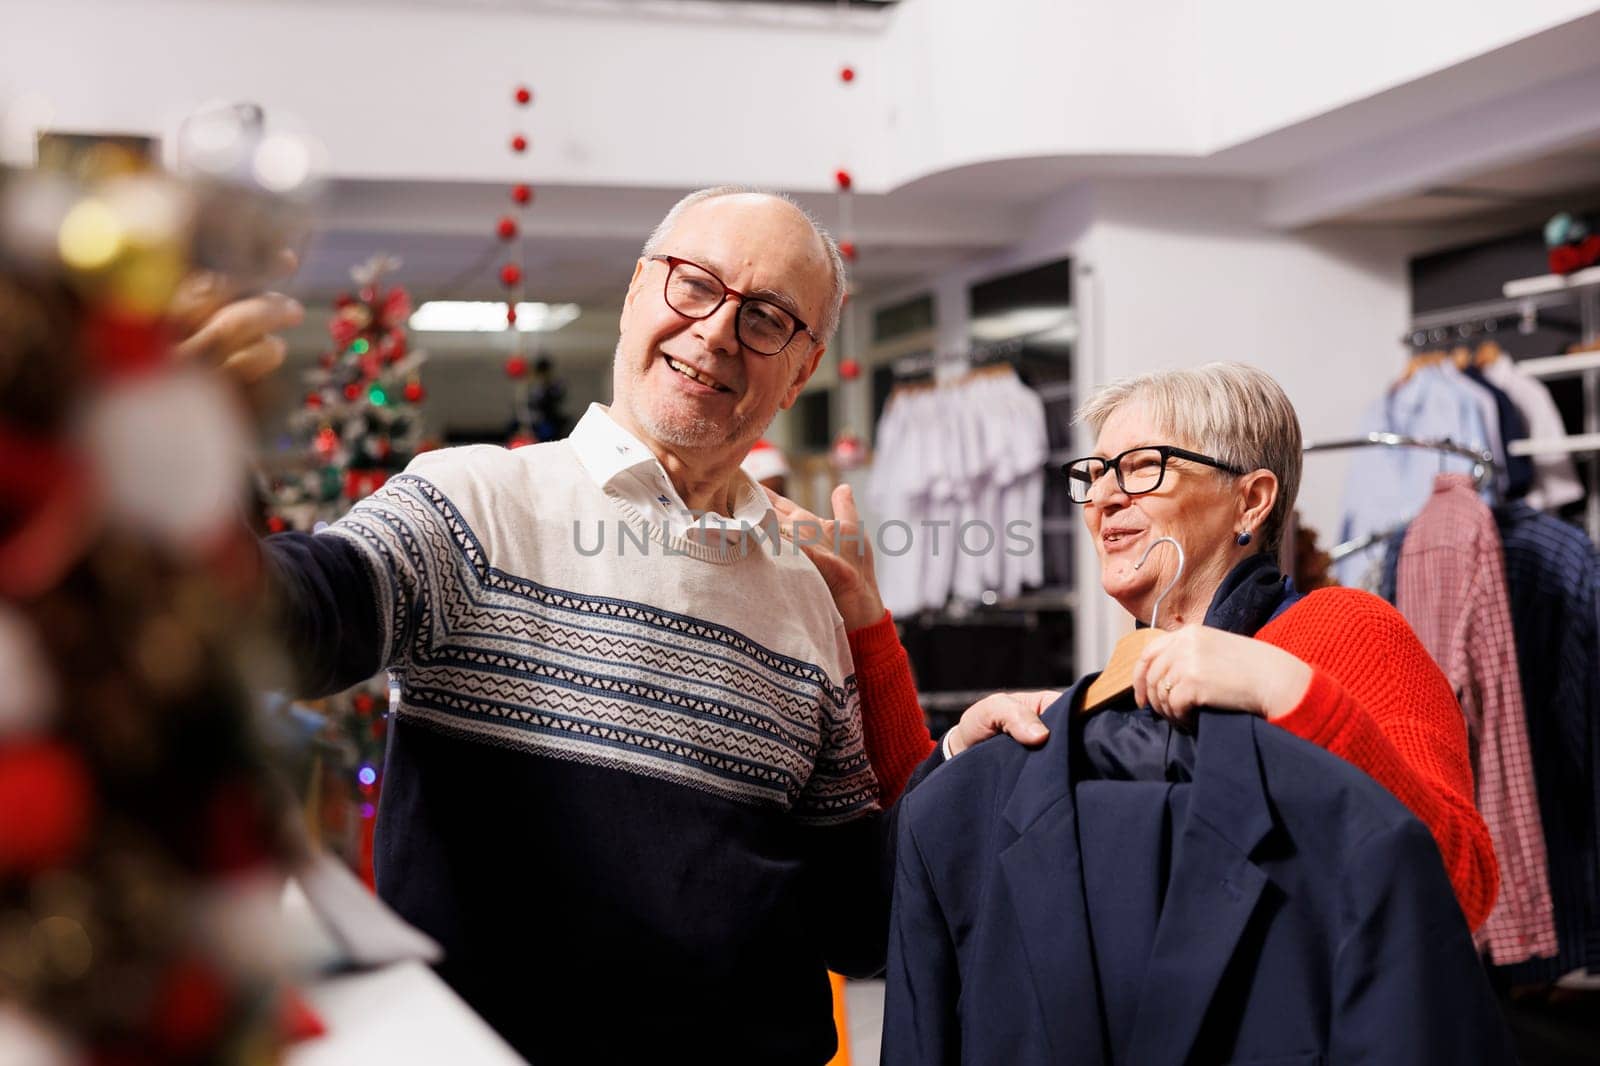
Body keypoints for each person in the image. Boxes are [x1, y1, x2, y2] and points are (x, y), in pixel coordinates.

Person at [189, 187, 1039, 1064]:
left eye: (769, 317)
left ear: (803, 369)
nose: (716, 332)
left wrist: (954, 771)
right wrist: (169, 463)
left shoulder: (805, 597)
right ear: (639, 290)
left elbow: (856, 927)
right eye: (694, 285)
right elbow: (285, 620)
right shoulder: (476, 502)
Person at [872, 362, 1514, 1065]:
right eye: (1096, 473)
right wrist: (962, 760)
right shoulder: (1104, 705)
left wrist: (1293, 694)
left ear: (1251, 501)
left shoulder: (1345, 630)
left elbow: (1461, 887)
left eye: (1144, 467)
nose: (1104, 499)